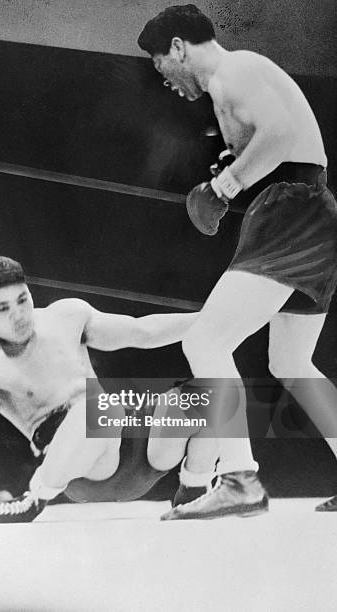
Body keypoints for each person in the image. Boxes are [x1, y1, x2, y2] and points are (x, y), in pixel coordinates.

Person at [138, 4, 337, 519]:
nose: (166, 80)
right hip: (307, 211)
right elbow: (272, 141)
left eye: (162, 64)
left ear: (179, 47)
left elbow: (276, 136)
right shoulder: (233, 84)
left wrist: (226, 185)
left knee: (203, 340)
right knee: (291, 362)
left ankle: (241, 480)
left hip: (292, 214)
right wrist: (231, 167)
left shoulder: (236, 69)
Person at [0, 255, 207, 523]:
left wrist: (214, 318)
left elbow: (142, 332)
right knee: (97, 409)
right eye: (2, 308)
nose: (18, 315)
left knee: (213, 393)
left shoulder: (66, 316)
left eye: (22, 300)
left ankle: (195, 490)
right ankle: (33, 499)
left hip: (140, 452)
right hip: (82, 468)